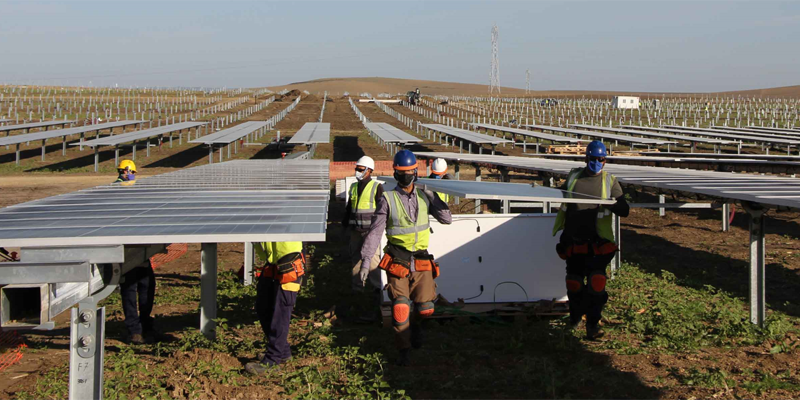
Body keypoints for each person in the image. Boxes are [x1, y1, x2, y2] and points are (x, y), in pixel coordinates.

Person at [360, 150, 452, 366]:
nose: (406, 176)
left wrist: (433, 197)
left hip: (421, 260)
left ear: (416, 173)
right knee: (400, 307)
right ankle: (404, 350)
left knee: (426, 308)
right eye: (402, 172)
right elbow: (375, 232)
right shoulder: (387, 199)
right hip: (397, 259)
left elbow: (447, 219)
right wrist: (366, 261)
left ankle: (418, 327)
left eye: (409, 172)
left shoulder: (424, 196)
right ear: (395, 174)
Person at [552, 140, 629, 340]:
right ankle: (575, 319)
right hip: (573, 240)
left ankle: (593, 325)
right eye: (593, 159)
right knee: (574, 283)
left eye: (600, 159)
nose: (596, 162)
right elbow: (560, 196)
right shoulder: (573, 176)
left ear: (605, 161)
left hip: (598, 243)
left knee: (596, 282)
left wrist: (611, 204)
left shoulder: (610, 182)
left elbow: (624, 209)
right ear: (586, 158)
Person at [112, 160, 157, 344]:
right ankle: (134, 329)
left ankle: (145, 324)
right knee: (130, 290)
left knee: (147, 287)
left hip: (140, 248)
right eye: (123, 171)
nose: (126, 174)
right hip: (126, 251)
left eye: (128, 172)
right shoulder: (115, 191)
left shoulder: (137, 191)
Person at [246, 241, 306, 374]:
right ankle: (283, 352)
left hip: (289, 260)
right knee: (263, 307)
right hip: (273, 261)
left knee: (280, 315)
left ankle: (272, 361)